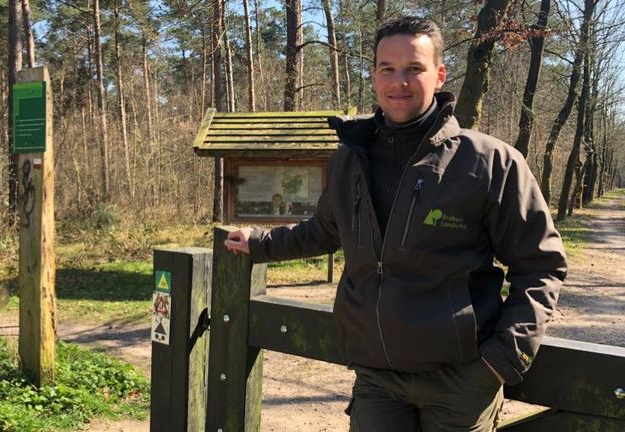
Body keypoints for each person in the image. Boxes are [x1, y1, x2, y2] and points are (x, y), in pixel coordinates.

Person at [224, 16, 567, 432]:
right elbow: (324, 231)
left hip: (462, 379)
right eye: (387, 68)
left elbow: (541, 264)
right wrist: (259, 243)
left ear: (439, 75)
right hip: (377, 378)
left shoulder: (489, 162)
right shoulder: (352, 157)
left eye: (413, 69)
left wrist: (504, 359)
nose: (398, 81)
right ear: (373, 76)